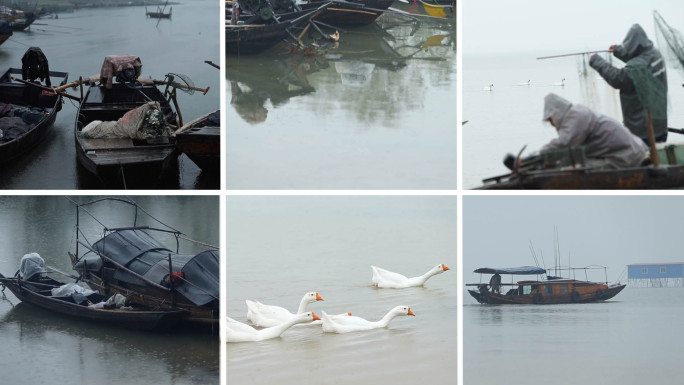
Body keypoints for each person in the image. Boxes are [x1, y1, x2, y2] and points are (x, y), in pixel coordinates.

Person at [589, 24, 668, 145]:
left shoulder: (638, 67)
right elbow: (639, 58)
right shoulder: (655, 54)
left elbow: (617, 78)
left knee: (646, 161)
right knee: (660, 158)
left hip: (643, 130)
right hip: (660, 125)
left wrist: (596, 60)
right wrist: (618, 51)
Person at [539, 93, 647, 169]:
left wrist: (538, 154)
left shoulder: (575, 117)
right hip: (633, 150)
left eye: (551, 119)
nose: (552, 124)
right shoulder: (577, 111)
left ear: (556, 113)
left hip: (625, 156)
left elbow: (564, 143)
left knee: (577, 170)